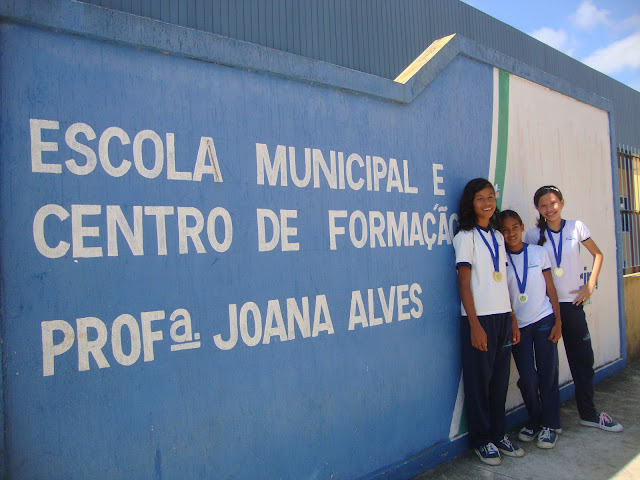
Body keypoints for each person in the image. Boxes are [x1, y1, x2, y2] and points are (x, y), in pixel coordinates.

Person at [524, 185, 623, 432]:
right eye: (544, 205)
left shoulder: (576, 227)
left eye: (553, 203)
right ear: (537, 208)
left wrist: (589, 285)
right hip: (547, 309)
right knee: (549, 368)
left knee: (583, 361)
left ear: (562, 202)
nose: (549, 208)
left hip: (573, 305)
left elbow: (598, 254)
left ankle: (588, 414)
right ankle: (548, 421)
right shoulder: (533, 236)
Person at [453, 178, 524, 466]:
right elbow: (463, 282)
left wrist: (513, 319)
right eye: (480, 198)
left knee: (498, 382)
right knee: (478, 383)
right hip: (479, 319)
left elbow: (503, 281)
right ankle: (482, 440)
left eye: (490, 197)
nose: (487, 203)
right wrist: (474, 325)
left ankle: (498, 434)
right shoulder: (465, 237)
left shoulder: (497, 236)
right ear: (471, 203)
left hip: (502, 317)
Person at [499, 209, 562, 449]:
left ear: (522, 227)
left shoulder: (538, 252)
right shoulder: (501, 259)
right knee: (527, 378)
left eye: (514, 227)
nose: (511, 233)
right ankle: (535, 420)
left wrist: (558, 320)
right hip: (520, 326)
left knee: (548, 372)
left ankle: (550, 424)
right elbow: (503, 295)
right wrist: (513, 320)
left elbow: (551, 288)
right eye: (505, 230)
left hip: (544, 318)